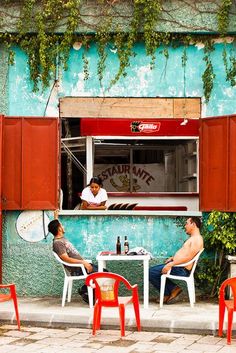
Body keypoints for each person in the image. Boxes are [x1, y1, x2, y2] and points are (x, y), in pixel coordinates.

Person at [149, 217, 204, 304]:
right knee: (153, 272)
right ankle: (170, 291)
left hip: (181, 269)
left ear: (193, 225)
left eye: (187, 223)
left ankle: (171, 290)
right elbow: (186, 254)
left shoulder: (197, 239)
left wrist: (171, 264)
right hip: (178, 267)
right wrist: (173, 258)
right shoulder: (194, 238)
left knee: (151, 272)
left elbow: (189, 257)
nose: (185, 226)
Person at [48, 216, 98, 304]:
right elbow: (66, 259)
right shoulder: (58, 243)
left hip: (81, 266)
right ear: (59, 228)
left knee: (104, 272)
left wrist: (56, 215)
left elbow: (55, 225)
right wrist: (83, 262)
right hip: (77, 269)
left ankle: (87, 292)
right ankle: (86, 292)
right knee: (103, 274)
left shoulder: (61, 239)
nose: (63, 226)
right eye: (61, 225)